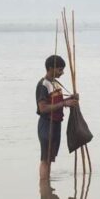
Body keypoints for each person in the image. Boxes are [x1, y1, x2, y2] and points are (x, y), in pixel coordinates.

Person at [36, 54, 79, 186]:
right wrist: (64, 104)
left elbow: (58, 102)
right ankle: (43, 186)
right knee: (45, 158)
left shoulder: (55, 83)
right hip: (46, 124)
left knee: (50, 158)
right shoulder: (44, 85)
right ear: (51, 68)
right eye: (60, 69)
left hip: (56, 124)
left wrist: (70, 100)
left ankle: (47, 189)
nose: (62, 72)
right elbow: (42, 108)